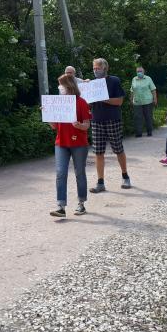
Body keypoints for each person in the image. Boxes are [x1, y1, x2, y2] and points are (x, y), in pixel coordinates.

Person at [48, 74, 92, 218]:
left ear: (69, 85)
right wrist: (47, 114)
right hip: (61, 143)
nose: (60, 88)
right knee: (60, 173)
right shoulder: (58, 102)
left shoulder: (81, 102)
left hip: (79, 143)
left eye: (61, 85)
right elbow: (54, 126)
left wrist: (79, 125)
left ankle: (81, 203)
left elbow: (87, 125)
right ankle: (60, 206)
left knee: (79, 173)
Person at [88, 58, 131, 192]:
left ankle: (125, 176)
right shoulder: (92, 83)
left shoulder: (114, 81)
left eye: (98, 68)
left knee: (118, 149)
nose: (95, 71)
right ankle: (100, 182)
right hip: (96, 120)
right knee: (98, 152)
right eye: (94, 68)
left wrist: (102, 98)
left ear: (105, 68)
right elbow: (88, 103)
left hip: (112, 120)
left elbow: (119, 101)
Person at [130, 66, 157, 137]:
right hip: (137, 101)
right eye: (138, 71)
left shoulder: (148, 79)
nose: (139, 73)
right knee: (138, 117)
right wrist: (131, 99)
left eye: (140, 71)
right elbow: (132, 90)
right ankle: (139, 133)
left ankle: (149, 131)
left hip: (147, 101)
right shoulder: (134, 79)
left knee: (148, 117)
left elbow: (153, 89)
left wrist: (155, 99)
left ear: (143, 72)